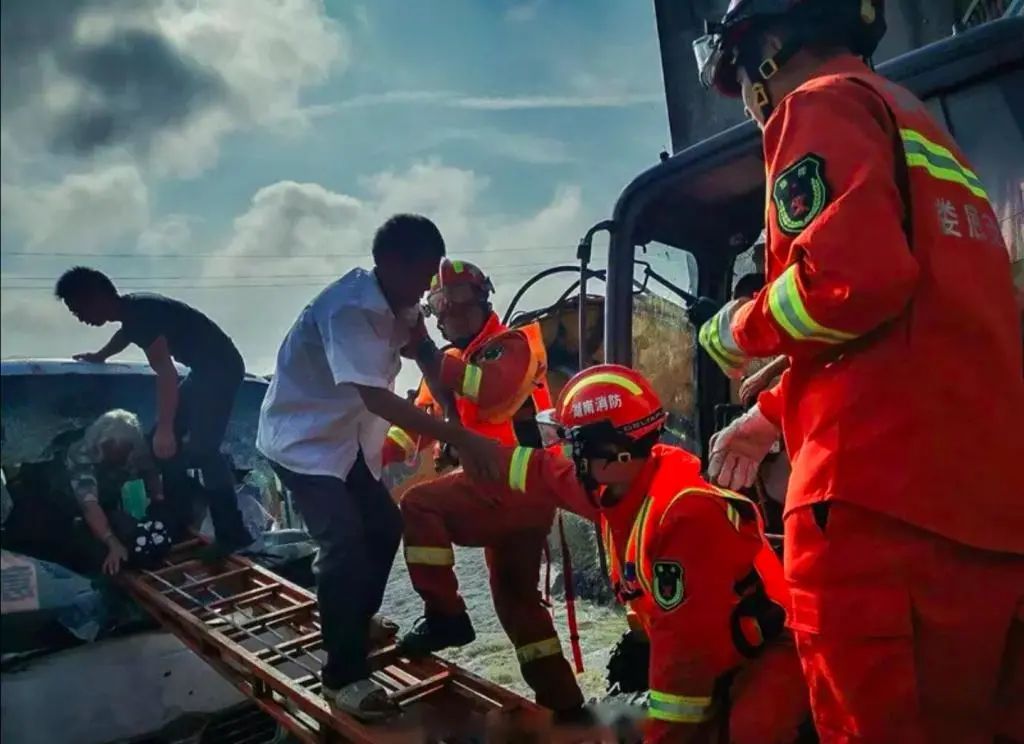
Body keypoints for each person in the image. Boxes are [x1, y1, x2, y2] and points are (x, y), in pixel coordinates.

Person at [694, 2, 1024, 741]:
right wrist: (775, 411)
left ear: (770, 51)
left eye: (744, 73)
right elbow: (926, 332)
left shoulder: (818, 105)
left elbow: (855, 280)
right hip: (990, 521)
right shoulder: (926, 137)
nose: (752, 101)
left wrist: (735, 328)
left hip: (879, 523)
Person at [256, 216, 501, 721]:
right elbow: (377, 398)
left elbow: (427, 356)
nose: (430, 286)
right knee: (342, 542)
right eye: (425, 273)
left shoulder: (403, 304)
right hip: (303, 443)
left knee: (386, 525)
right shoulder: (348, 311)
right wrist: (460, 437)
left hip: (347, 444)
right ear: (391, 263)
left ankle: (356, 619)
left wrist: (454, 420)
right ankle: (342, 677)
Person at [497, 365, 811, 743]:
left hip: (771, 655)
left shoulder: (685, 517)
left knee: (751, 733)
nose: (563, 453)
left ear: (611, 455)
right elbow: (546, 473)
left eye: (570, 443)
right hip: (720, 648)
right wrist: (470, 449)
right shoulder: (622, 489)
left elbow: (685, 668)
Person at [392, 258, 585, 718]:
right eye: (437, 303)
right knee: (517, 600)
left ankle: (445, 614)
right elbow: (417, 425)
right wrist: (374, 453)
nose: (445, 313)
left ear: (481, 299)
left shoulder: (510, 344)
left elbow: (492, 392)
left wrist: (428, 354)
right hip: (506, 494)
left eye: (454, 300)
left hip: (514, 481)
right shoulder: (447, 363)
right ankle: (564, 703)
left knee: (419, 506)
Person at [55, 268, 253, 556]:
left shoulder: (142, 314)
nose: (79, 318)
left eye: (77, 309)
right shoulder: (133, 312)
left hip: (220, 370)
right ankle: (176, 518)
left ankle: (232, 533)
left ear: (95, 298)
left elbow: (166, 374)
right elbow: (126, 335)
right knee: (157, 446)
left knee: (203, 450)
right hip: (205, 371)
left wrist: (165, 428)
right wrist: (102, 356)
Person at [4, 410, 167, 576]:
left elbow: (150, 471)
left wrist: (158, 501)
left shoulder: (136, 446)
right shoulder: (81, 452)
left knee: (124, 530)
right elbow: (89, 505)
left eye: (124, 451)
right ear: (103, 443)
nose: (120, 457)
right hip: (52, 498)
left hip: (103, 500)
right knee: (48, 547)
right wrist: (112, 543)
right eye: (114, 451)